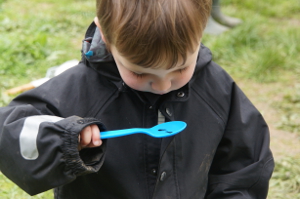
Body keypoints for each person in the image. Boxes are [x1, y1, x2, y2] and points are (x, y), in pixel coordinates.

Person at [0, 0, 274, 198]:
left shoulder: (217, 89)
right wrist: (64, 139)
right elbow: (10, 135)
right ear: (106, 37)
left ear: (201, 31)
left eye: (180, 68)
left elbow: (244, 165)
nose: (163, 84)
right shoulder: (78, 87)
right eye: (140, 72)